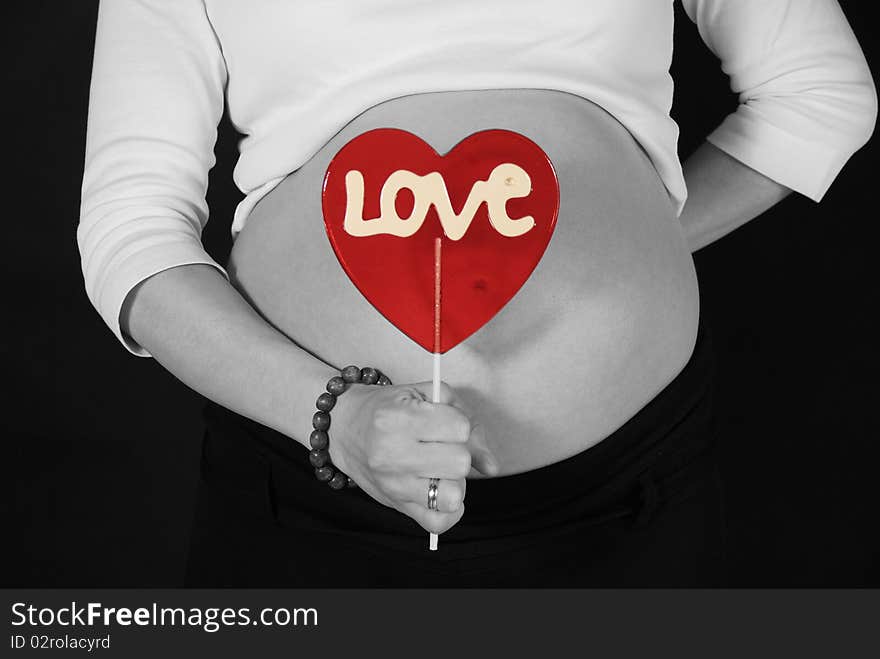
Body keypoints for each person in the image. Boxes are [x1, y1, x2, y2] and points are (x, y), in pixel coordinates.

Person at [78, 0, 876, 587]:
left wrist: (625, 252)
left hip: (624, 503)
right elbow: (131, 234)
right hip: (309, 491)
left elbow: (819, 92)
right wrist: (338, 417)